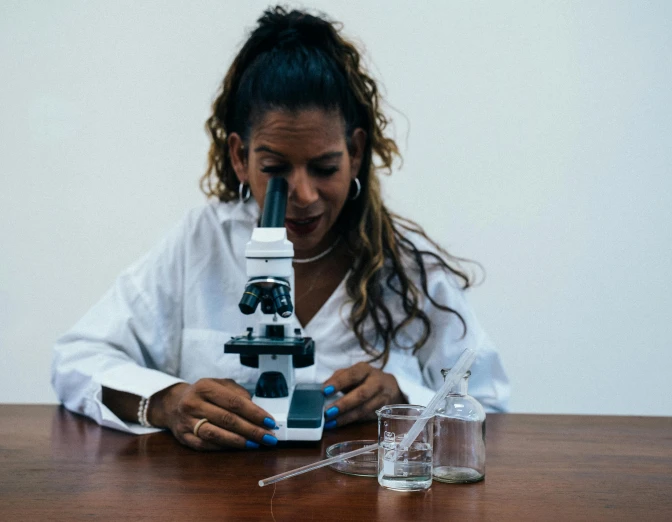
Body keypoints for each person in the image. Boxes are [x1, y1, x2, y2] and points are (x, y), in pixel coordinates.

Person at [52, 6, 509, 451]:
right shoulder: (199, 243)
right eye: (275, 168)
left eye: (325, 167)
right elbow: (77, 359)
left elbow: (488, 403)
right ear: (239, 157)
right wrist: (168, 402)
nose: (303, 194)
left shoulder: (408, 268)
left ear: (354, 152)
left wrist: (404, 397)